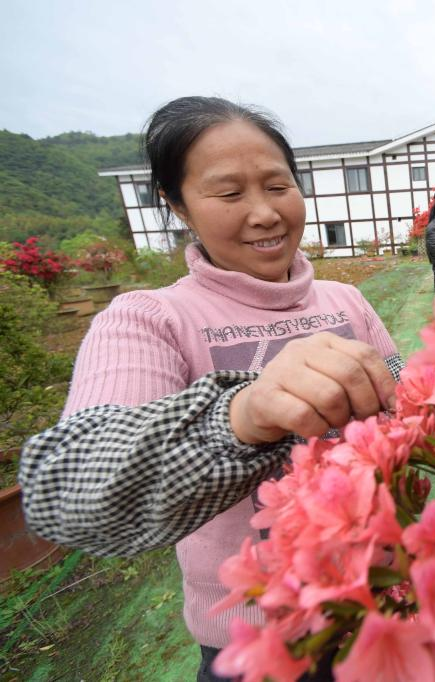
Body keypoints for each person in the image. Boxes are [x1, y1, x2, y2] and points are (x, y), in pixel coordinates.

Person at [18, 96, 404, 681]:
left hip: (386, 613)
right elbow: (67, 488)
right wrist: (242, 414)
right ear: (176, 204)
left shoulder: (346, 300)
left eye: (278, 186)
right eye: (229, 194)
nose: (265, 213)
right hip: (262, 649)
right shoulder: (148, 319)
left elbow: (404, 398)